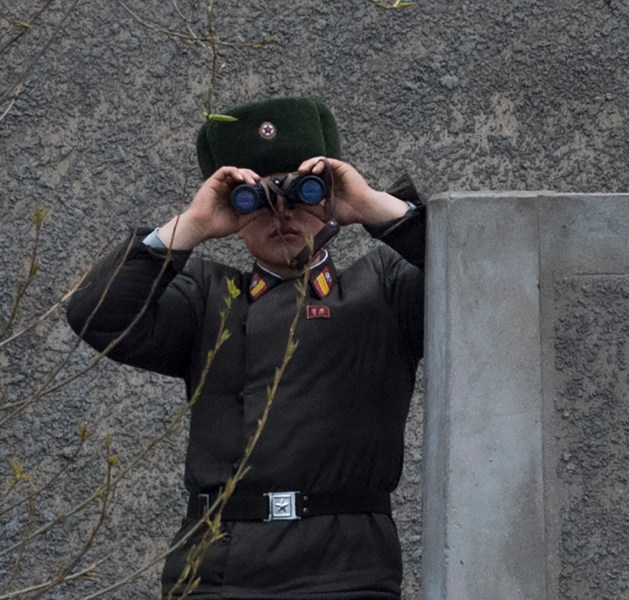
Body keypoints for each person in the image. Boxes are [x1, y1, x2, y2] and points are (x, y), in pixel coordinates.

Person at [66, 97, 425, 599]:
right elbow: (96, 314)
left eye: (303, 194)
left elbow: (479, 276)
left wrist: (372, 206)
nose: (282, 213)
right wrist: (191, 224)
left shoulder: (383, 290)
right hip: (214, 572)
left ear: (328, 198)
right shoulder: (209, 298)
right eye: (253, 199)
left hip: (347, 571)